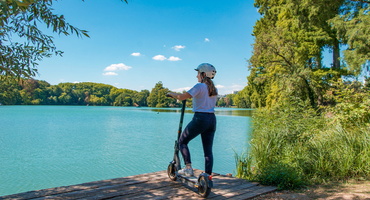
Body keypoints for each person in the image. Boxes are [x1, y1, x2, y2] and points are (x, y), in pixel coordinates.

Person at [167, 63, 218, 177]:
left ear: (203, 74)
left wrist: (171, 94)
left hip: (200, 118)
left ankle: (188, 168)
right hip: (212, 120)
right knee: (208, 150)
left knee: (182, 141)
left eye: (198, 73)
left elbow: (182, 97)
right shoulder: (214, 89)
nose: (197, 76)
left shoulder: (199, 86)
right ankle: (207, 176)